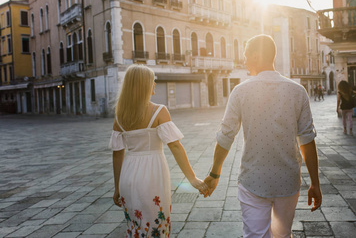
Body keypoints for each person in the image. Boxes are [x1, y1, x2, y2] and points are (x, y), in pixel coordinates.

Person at [203, 35, 322, 238]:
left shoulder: (240, 92)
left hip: (253, 180)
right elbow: (307, 140)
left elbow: (226, 136)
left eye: (246, 56)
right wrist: (315, 183)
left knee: (255, 235)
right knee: (282, 235)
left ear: (256, 56)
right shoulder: (297, 91)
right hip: (288, 181)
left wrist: (214, 174)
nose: (244, 61)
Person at [109, 64, 208, 238]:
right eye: (153, 80)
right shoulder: (159, 111)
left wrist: (117, 187)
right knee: (157, 225)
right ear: (144, 85)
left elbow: (117, 154)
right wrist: (192, 179)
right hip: (152, 173)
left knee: (135, 226)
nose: (155, 84)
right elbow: (175, 146)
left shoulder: (120, 115)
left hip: (128, 174)